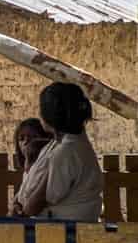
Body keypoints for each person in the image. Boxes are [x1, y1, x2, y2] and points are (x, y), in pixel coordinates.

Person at [12, 82, 103, 221]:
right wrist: (18, 200)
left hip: (64, 233)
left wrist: (20, 210)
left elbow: (35, 205)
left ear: (48, 116)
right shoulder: (68, 144)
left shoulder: (65, 153)